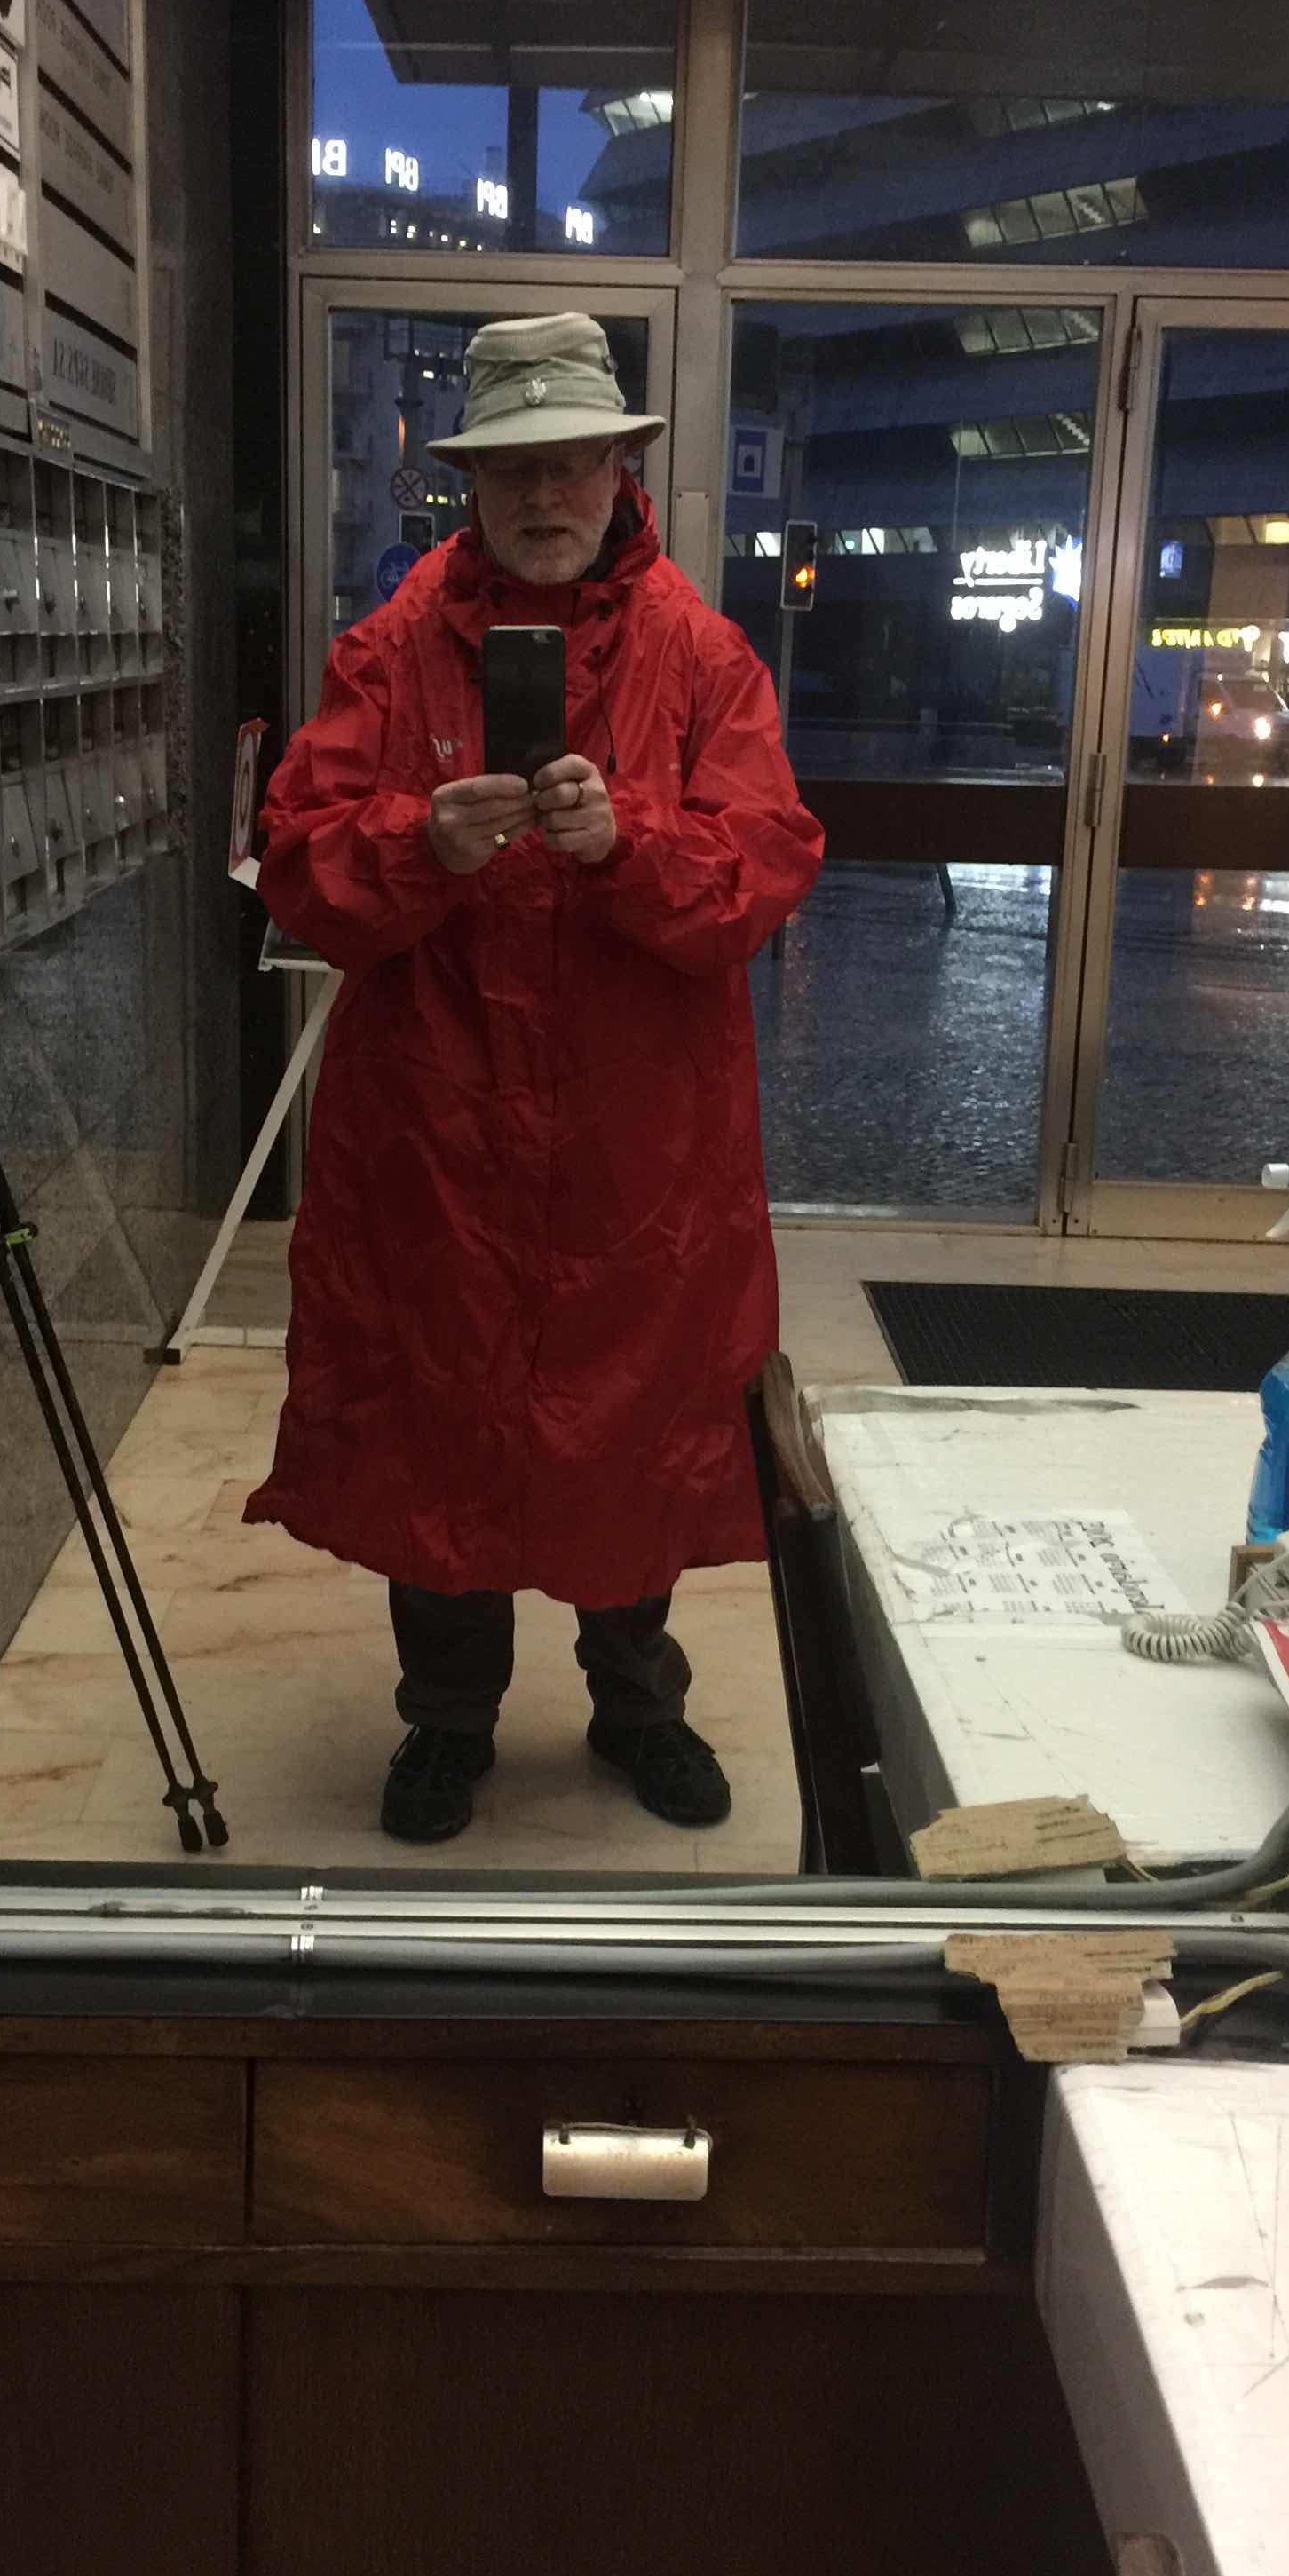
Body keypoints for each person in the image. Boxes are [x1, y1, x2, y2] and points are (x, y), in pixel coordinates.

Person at [247, 313, 823, 1841]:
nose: (546, 494)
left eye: (572, 462)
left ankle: (640, 1705)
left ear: (619, 471)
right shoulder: (387, 653)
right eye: (515, 469)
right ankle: (447, 1721)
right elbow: (297, 861)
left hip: (639, 1153)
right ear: (473, 486)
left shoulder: (704, 657)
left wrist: (630, 841)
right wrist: (416, 841)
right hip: (434, 1138)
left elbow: (763, 870)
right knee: (438, 1431)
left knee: (633, 1432)